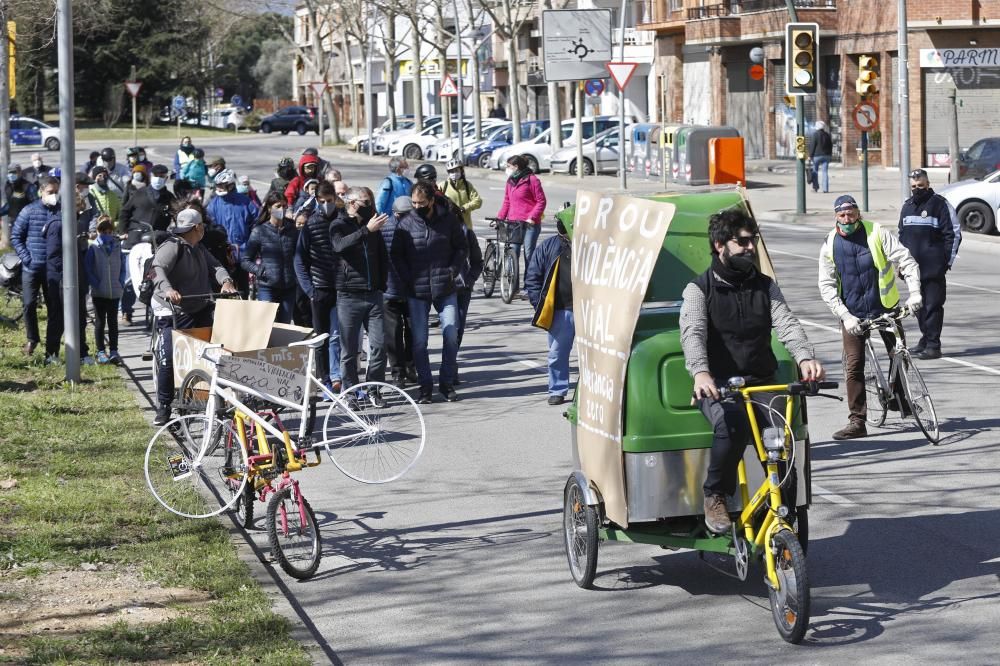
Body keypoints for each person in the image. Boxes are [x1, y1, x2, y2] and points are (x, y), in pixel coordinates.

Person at [681, 208, 824, 534]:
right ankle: (714, 495)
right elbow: (693, 334)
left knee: (782, 438)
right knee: (731, 425)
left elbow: (787, 324)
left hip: (761, 383)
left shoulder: (766, 286)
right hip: (718, 385)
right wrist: (701, 373)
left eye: (753, 241)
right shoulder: (698, 289)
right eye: (742, 242)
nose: (750, 247)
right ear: (720, 245)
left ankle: (782, 510)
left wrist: (804, 358)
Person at [818, 194, 922, 441]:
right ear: (836, 217)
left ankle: (900, 398)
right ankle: (857, 421)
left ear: (858, 213)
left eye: (851, 214)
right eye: (842, 215)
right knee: (853, 365)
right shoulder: (830, 243)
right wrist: (845, 316)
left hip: (886, 307)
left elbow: (905, 259)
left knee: (899, 353)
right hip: (852, 313)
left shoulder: (876, 232)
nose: (847, 219)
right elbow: (826, 285)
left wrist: (915, 292)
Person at [150, 208, 238, 425]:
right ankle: (164, 406)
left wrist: (225, 281)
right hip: (175, 313)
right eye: (202, 227)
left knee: (213, 353)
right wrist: (168, 290)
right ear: (197, 228)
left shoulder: (198, 248)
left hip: (200, 307)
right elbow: (156, 269)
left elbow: (216, 266)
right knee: (170, 357)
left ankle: (209, 398)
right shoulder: (171, 248)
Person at [390, 181, 469, 404]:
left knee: (451, 333)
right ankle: (425, 387)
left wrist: (453, 270)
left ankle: (446, 384)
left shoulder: (449, 221)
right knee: (419, 341)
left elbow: (462, 247)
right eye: (414, 203)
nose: (417, 206)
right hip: (417, 290)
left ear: (432, 201)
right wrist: (408, 278)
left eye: (421, 203)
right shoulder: (405, 223)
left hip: (445, 287)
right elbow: (397, 255)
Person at [898, 168, 961, 360]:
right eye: (914, 187)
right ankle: (926, 339)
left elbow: (954, 234)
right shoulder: (907, 205)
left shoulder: (940, 205)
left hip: (933, 268)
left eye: (921, 186)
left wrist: (945, 262)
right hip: (911, 270)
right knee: (919, 307)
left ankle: (934, 345)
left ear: (928, 184)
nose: (917, 189)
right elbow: (901, 235)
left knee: (933, 306)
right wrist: (900, 263)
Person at [331, 187, 389, 391]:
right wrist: (366, 231)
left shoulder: (371, 225)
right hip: (349, 296)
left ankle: (373, 389)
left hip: (373, 294)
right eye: (365, 202)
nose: (370, 206)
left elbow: (382, 255)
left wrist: (382, 283)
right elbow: (339, 246)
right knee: (349, 350)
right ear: (352, 203)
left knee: (379, 346)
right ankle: (351, 391)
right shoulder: (338, 224)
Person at [293, 181, 343, 391]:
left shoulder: (343, 221)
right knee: (321, 338)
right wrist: (310, 290)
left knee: (336, 336)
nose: (325, 205)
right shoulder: (311, 224)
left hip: (341, 288)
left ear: (335, 199)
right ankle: (325, 380)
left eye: (329, 201)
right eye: (321, 202)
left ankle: (336, 375)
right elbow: (299, 260)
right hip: (319, 289)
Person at [41, 175, 95, 366]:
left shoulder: (73, 222)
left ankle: (82, 353)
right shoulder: (58, 225)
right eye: (79, 206)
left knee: (80, 316)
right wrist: (66, 276)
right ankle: (51, 354)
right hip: (61, 279)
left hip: (77, 277)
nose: (81, 211)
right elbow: (54, 256)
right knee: (58, 317)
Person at [118, 164, 176, 324]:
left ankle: (155, 307)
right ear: (151, 176)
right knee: (130, 280)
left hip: (157, 242)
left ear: (165, 178)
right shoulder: (139, 193)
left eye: (162, 176)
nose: (159, 178)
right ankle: (127, 311)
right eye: (156, 175)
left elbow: (177, 215)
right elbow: (124, 212)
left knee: (155, 275)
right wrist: (122, 230)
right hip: (135, 239)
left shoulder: (169, 197)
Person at [525, 215, 573, 405]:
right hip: (560, 310)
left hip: (586, 310)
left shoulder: (589, 245)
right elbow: (532, 277)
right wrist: (541, 305)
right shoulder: (549, 246)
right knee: (557, 353)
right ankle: (558, 390)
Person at [11, 176, 61, 358]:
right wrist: (27, 259)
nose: (54, 196)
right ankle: (32, 339)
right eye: (50, 192)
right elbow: (16, 237)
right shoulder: (29, 211)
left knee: (55, 309)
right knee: (29, 304)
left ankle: (52, 350)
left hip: (54, 270)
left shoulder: (62, 211)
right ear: (41, 192)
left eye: (56, 192)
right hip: (32, 268)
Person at [241, 193, 299, 324]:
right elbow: (245, 260)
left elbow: (299, 255)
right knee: (266, 324)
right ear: (269, 208)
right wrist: (260, 271)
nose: (282, 210)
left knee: (284, 326)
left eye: (284, 206)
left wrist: (296, 275)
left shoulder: (292, 230)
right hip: (267, 286)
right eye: (278, 206)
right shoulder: (260, 231)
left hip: (289, 287)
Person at [497, 154, 546, 285]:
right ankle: (514, 286)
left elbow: (541, 201)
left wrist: (532, 217)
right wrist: (500, 218)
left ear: (516, 167)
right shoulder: (510, 181)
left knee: (529, 253)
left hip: (530, 224)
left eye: (508, 166)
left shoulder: (532, 180)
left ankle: (529, 285)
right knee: (513, 252)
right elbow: (507, 201)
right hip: (514, 223)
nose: (506, 169)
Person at [383, 195, 416, 388]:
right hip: (390, 290)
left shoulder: (417, 228)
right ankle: (398, 372)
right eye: (404, 214)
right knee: (393, 335)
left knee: (413, 333)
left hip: (412, 290)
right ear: (395, 214)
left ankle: (410, 367)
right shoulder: (386, 229)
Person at [84, 216, 127, 364]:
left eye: (109, 231)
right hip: (99, 292)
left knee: (113, 322)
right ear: (98, 231)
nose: (107, 234)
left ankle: (114, 351)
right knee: (100, 322)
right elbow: (88, 269)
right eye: (104, 231)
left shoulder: (117, 246)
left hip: (114, 291)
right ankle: (101, 351)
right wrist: (96, 284)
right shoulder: (94, 247)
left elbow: (123, 265)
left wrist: (120, 282)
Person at [453, 223, 483, 386]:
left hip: (461, 290)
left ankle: (450, 366)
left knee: (456, 330)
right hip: (433, 289)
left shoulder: (466, 233)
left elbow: (477, 262)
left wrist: (469, 281)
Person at [439, 159, 482, 230]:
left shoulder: (467, 186)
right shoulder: (443, 186)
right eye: (451, 171)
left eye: (456, 170)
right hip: (448, 227)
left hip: (465, 226)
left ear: (461, 171)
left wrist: (464, 208)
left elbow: (478, 201)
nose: (454, 173)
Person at [809, 120, 833, 194]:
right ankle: (825, 189)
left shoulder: (815, 134)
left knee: (815, 171)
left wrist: (810, 155)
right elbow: (831, 145)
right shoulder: (827, 135)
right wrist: (830, 155)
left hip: (817, 156)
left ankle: (815, 187)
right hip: (826, 155)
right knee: (825, 172)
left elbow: (812, 145)